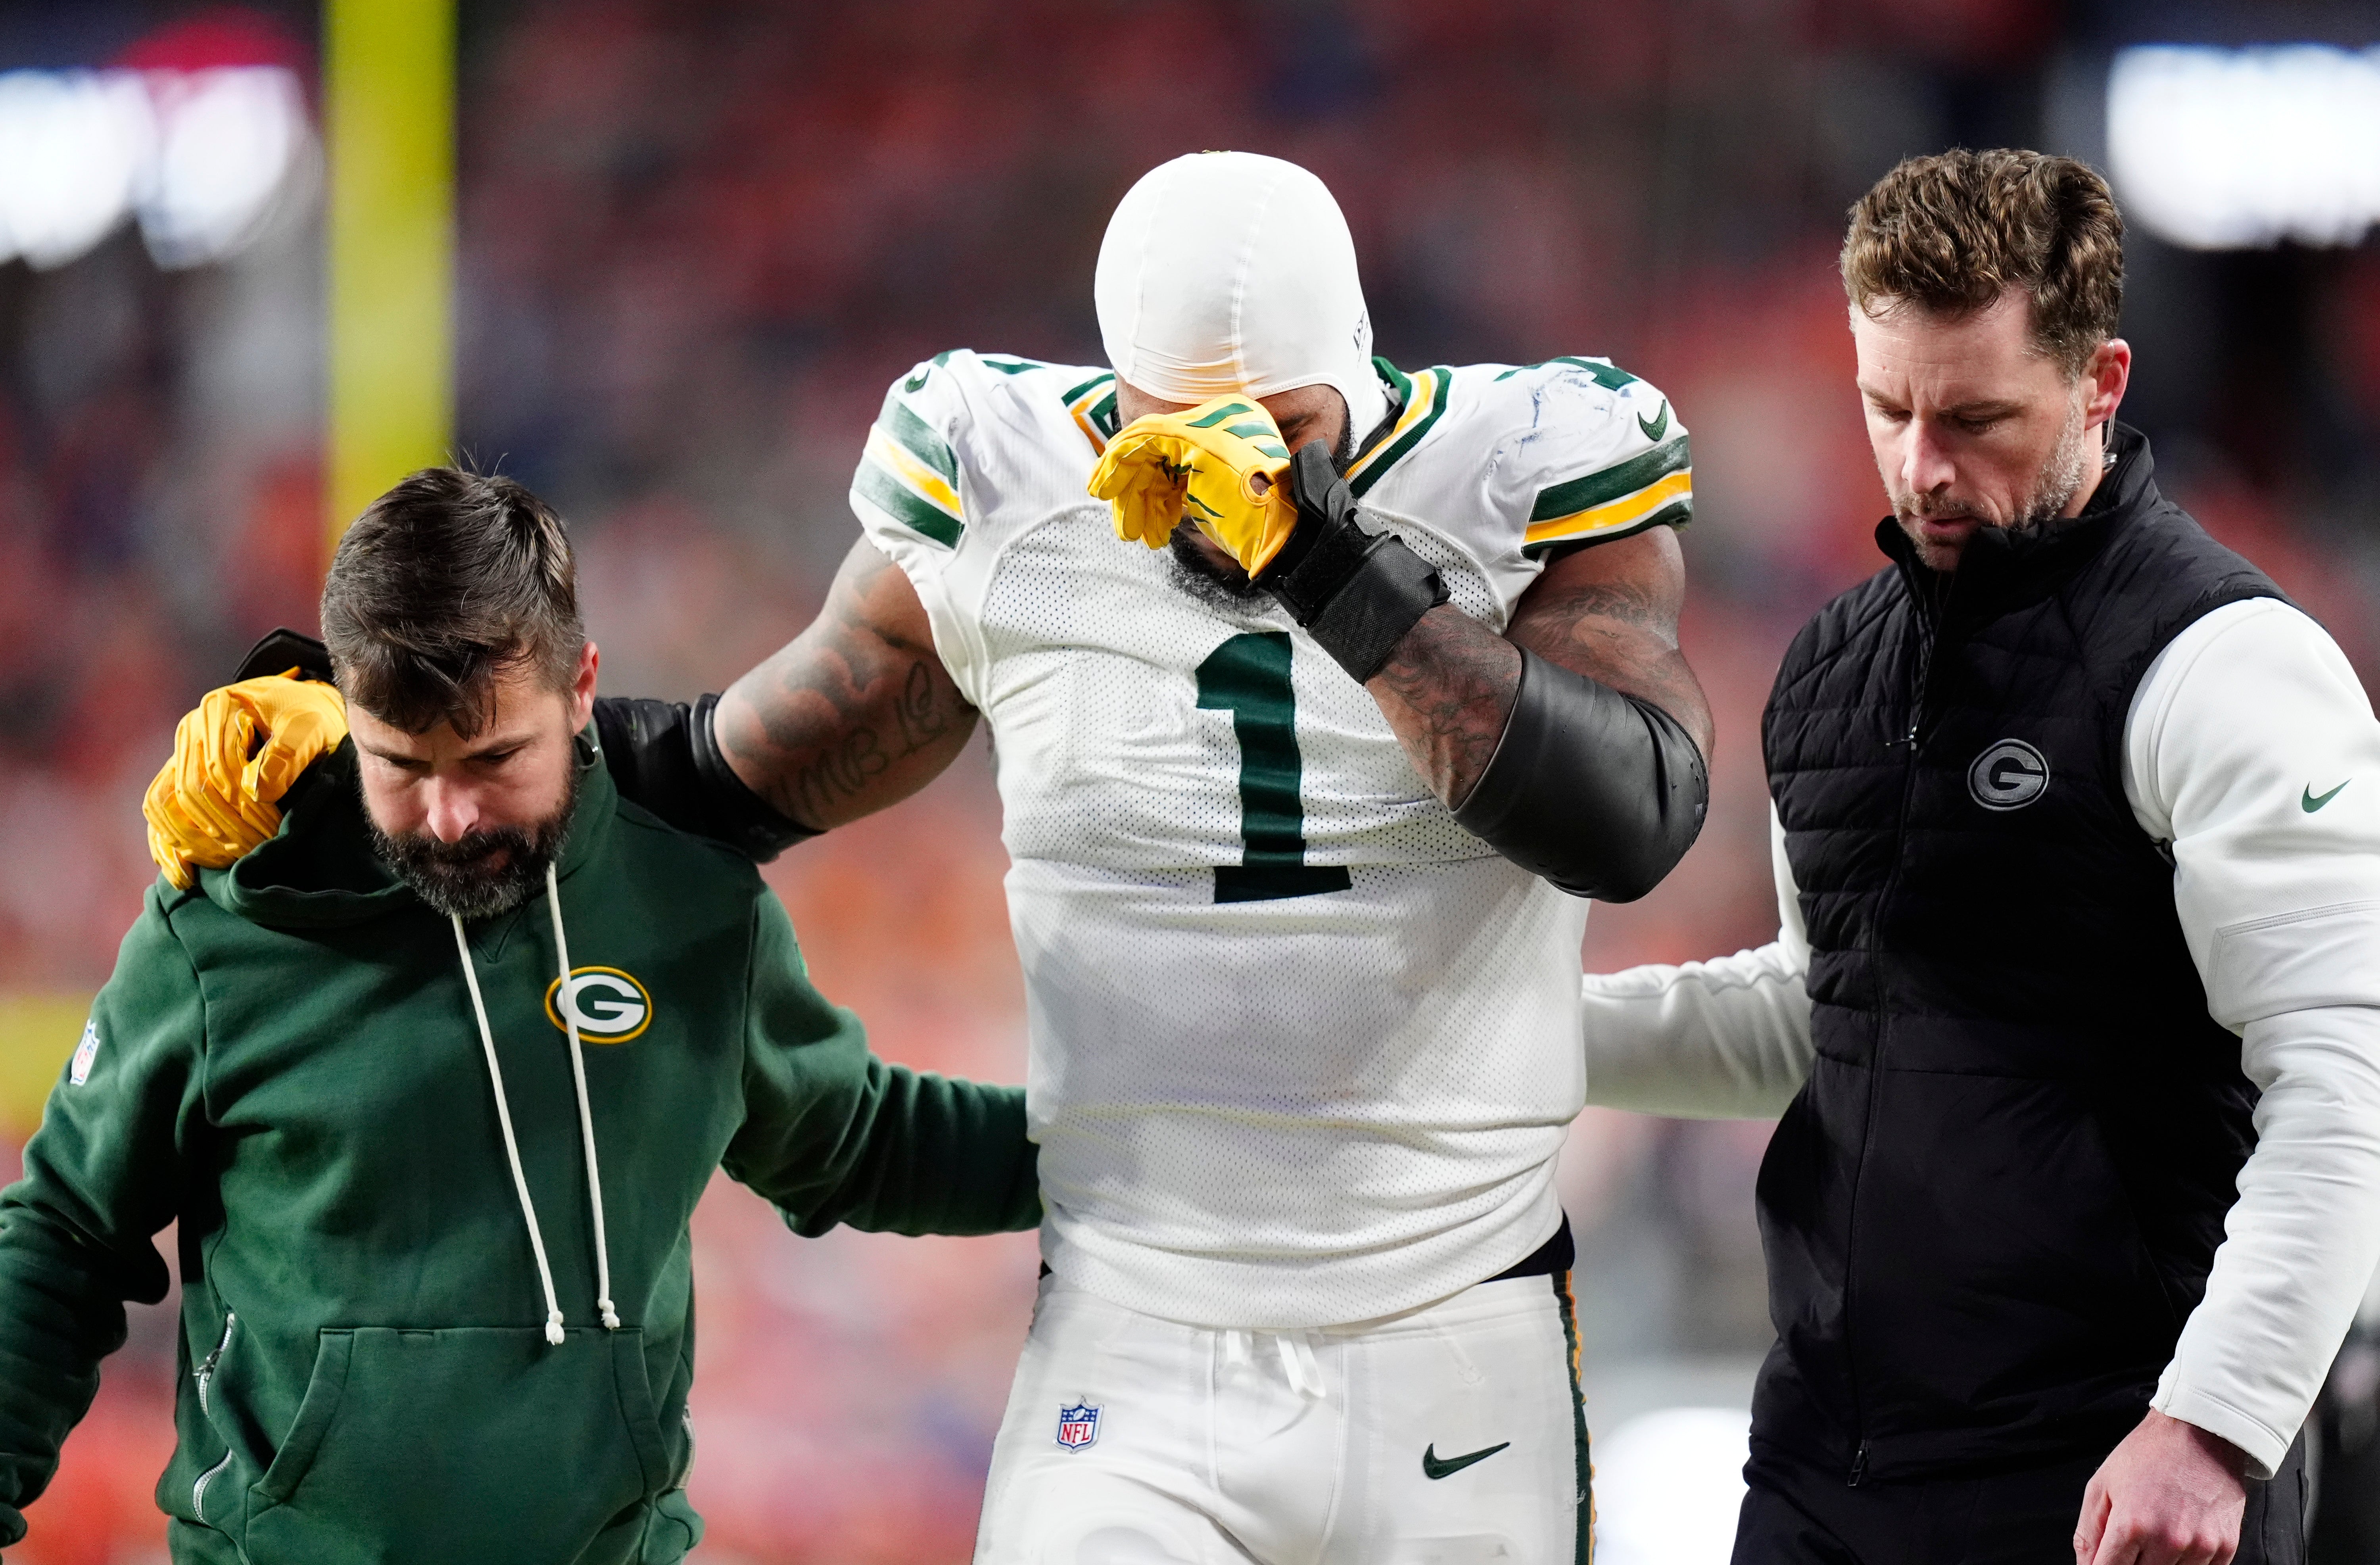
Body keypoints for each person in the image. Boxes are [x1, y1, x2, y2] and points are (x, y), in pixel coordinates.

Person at [143, 150, 1714, 1561]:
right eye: (1177, 443)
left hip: (1453, 1316)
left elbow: (1629, 818)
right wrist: (359, 749)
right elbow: (728, 772)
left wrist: (1324, 558)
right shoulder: (1011, 485)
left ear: (1352, 385)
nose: (1213, 494)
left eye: (1276, 437)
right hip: (1142, 1327)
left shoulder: (1525, 465)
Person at [1576, 149, 2380, 1565]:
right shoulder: (1832, 668)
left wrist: (2215, 1425)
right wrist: (1508, 1034)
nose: (1922, 468)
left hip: (2119, 1485)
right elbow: (1820, 1020)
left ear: (2102, 385)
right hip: (1825, 1471)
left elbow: (2344, 1078)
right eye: (1888, 408)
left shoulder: (2229, 666)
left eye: (1977, 418)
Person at [2, 469, 1040, 1564]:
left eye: (496, 760)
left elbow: (860, 1144)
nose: (450, 819)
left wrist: (1126, 1156)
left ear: (581, 688)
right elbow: (67, 1238)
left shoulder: (690, 906)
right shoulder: (226, 931)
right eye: (402, 767)